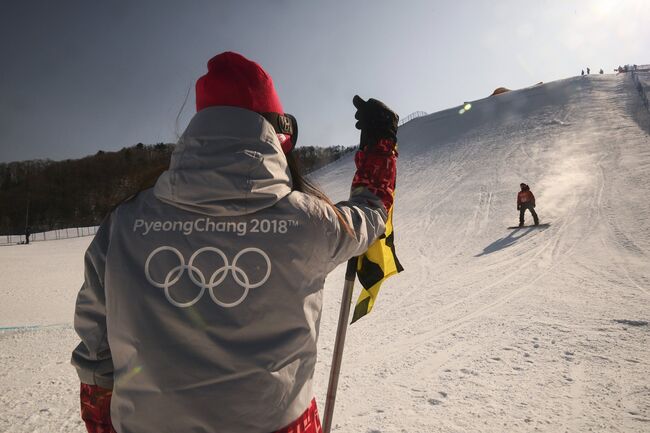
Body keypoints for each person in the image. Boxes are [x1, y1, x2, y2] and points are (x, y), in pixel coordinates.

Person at [70, 51, 398, 433]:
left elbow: (96, 344)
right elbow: (371, 213)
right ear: (276, 134)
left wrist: (101, 419)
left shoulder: (124, 224)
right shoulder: (310, 221)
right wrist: (380, 145)